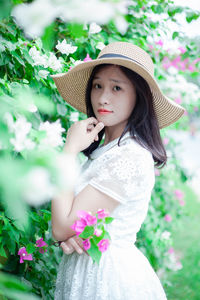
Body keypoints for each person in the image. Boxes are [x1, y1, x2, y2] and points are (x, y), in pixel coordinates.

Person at [51, 42, 185, 300]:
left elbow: (61, 225)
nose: (103, 97)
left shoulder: (130, 155)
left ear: (139, 97)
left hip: (109, 278)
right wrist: (67, 237)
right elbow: (67, 225)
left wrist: (68, 152)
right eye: (98, 85)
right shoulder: (109, 151)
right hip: (88, 269)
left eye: (117, 88)